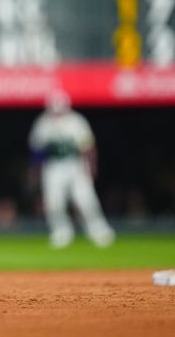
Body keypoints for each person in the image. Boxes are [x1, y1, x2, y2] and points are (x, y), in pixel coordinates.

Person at [28, 90, 116, 249]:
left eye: (60, 110)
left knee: (86, 199)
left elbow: (88, 147)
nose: (57, 114)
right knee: (54, 202)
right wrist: (36, 170)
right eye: (55, 111)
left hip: (75, 164)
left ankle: (98, 230)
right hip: (54, 166)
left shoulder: (76, 121)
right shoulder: (43, 123)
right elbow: (37, 150)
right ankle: (61, 232)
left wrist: (91, 165)